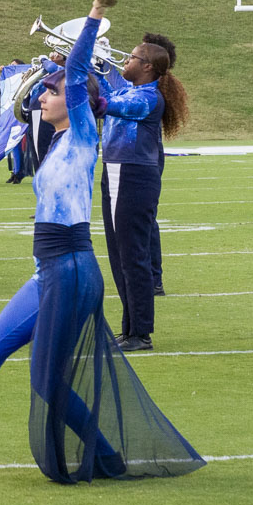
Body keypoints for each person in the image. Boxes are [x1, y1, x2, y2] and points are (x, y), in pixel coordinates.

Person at [0, 0, 204, 483]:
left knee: (47, 382)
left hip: (72, 270)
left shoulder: (82, 131)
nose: (42, 97)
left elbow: (80, 68)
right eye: (44, 93)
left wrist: (98, 8)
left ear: (73, 99)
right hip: (49, 270)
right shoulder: (56, 140)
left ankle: (105, 455)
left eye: (52, 92)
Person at [99, 33, 187, 353]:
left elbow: (105, 103)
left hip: (133, 176)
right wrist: (95, 68)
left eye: (131, 58)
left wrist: (87, 70)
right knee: (118, 255)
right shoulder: (134, 90)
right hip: (116, 172)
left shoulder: (148, 98)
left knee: (132, 256)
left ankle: (141, 332)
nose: (125, 61)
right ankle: (130, 328)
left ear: (147, 67)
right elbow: (110, 93)